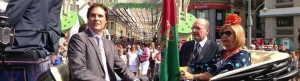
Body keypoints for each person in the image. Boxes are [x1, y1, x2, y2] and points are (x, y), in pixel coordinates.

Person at [67, 3, 139, 81]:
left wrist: (134, 79)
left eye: (100, 16)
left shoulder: (109, 44)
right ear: (88, 19)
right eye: (93, 15)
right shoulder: (78, 39)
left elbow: (122, 67)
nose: (96, 18)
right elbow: (78, 71)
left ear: (106, 21)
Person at [180, 14, 251, 80]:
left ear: (238, 35)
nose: (224, 36)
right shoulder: (222, 53)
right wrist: (188, 68)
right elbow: (206, 64)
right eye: (222, 33)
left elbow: (221, 74)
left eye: (228, 33)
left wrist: (193, 76)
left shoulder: (243, 55)